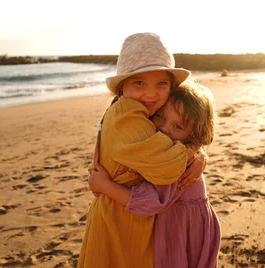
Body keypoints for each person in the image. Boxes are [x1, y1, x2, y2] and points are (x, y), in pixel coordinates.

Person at [77, 32, 207, 268]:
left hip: (132, 217)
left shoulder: (144, 112)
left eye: (161, 83)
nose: (151, 93)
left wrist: (199, 153)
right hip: (121, 223)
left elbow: (170, 139)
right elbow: (166, 167)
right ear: (122, 86)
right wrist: (193, 149)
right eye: (139, 82)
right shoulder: (126, 114)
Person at [89, 81, 221, 268]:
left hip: (181, 231)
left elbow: (152, 201)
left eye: (177, 126)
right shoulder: (182, 148)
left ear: (194, 134)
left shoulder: (172, 161)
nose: (165, 128)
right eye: (160, 117)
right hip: (191, 223)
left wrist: (105, 186)